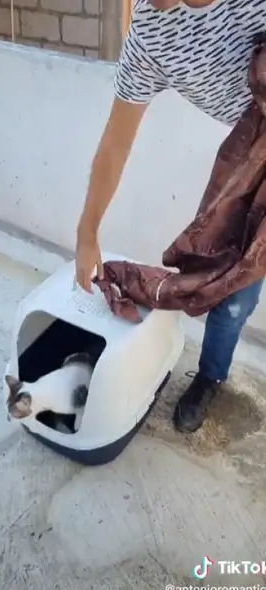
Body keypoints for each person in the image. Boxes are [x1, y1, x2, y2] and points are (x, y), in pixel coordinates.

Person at [75, 0, 266, 433]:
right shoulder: (150, 32)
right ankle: (210, 376)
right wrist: (87, 231)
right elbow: (115, 143)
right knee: (232, 290)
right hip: (249, 170)